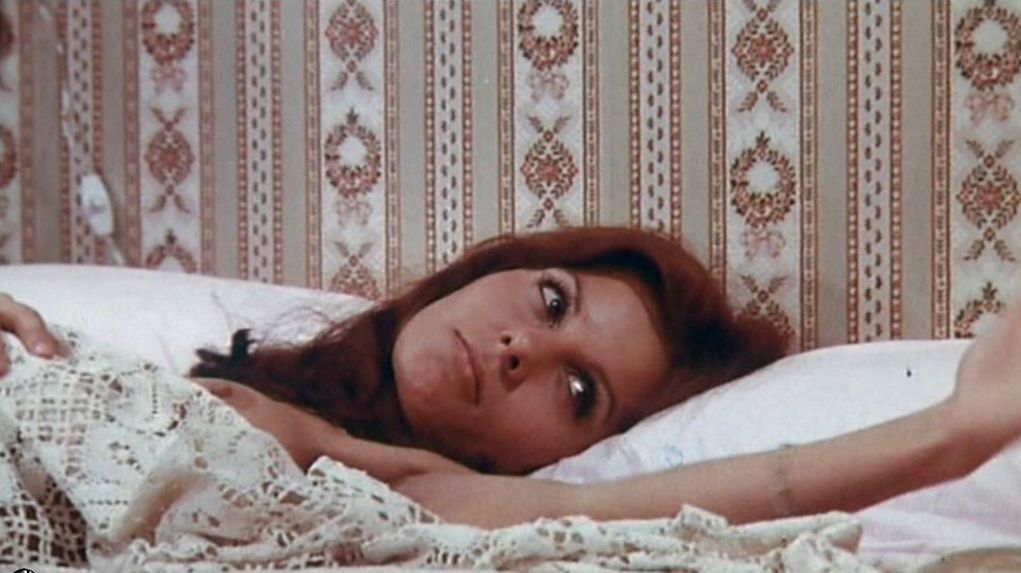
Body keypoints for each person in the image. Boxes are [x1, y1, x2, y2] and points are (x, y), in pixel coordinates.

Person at [1, 226, 1020, 530]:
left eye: (578, 394)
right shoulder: (199, 364)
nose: (519, 349)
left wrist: (951, 432)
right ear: (496, 268)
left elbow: (633, 506)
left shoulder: (422, 496)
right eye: (550, 301)